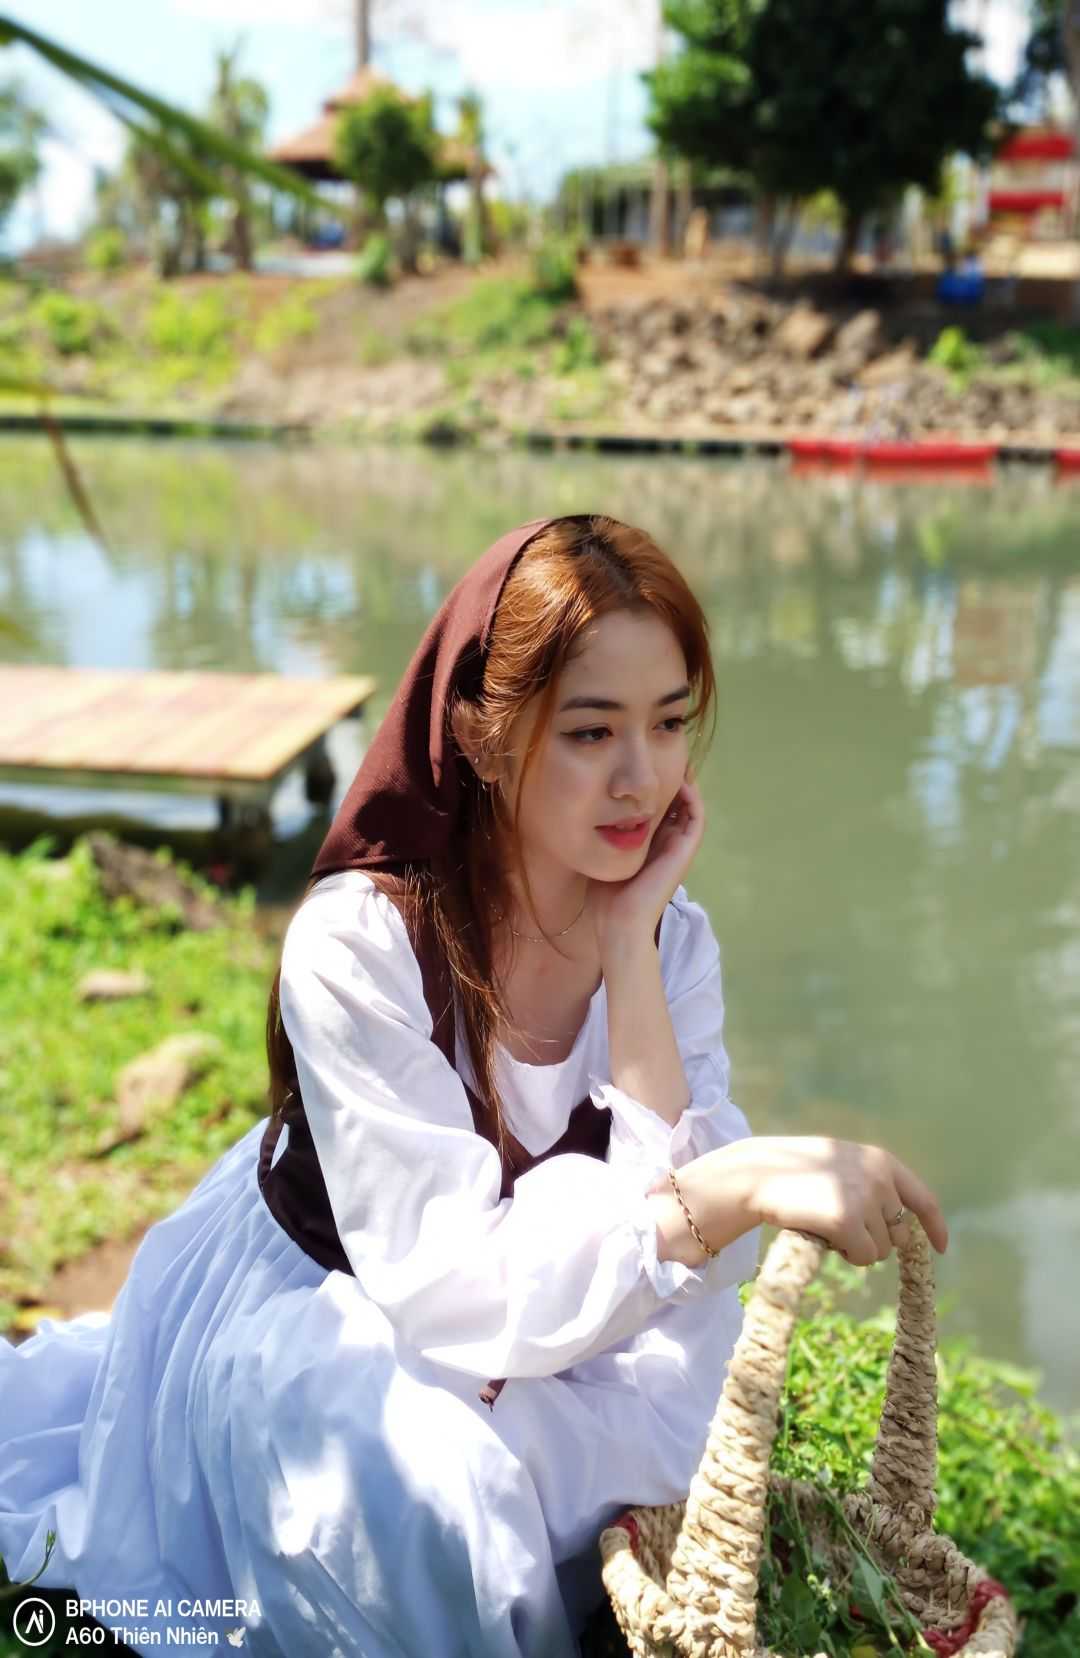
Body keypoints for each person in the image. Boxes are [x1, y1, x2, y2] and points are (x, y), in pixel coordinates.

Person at [0, 515, 948, 1658]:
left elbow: (681, 1267)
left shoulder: (670, 933)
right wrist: (730, 1185)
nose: (641, 778)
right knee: (431, 1493)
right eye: (591, 730)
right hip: (355, 1295)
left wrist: (629, 944)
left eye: (668, 723)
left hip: (557, 1291)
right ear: (481, 736)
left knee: (668, 1424)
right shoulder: (361, 944)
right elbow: (450, 1280)